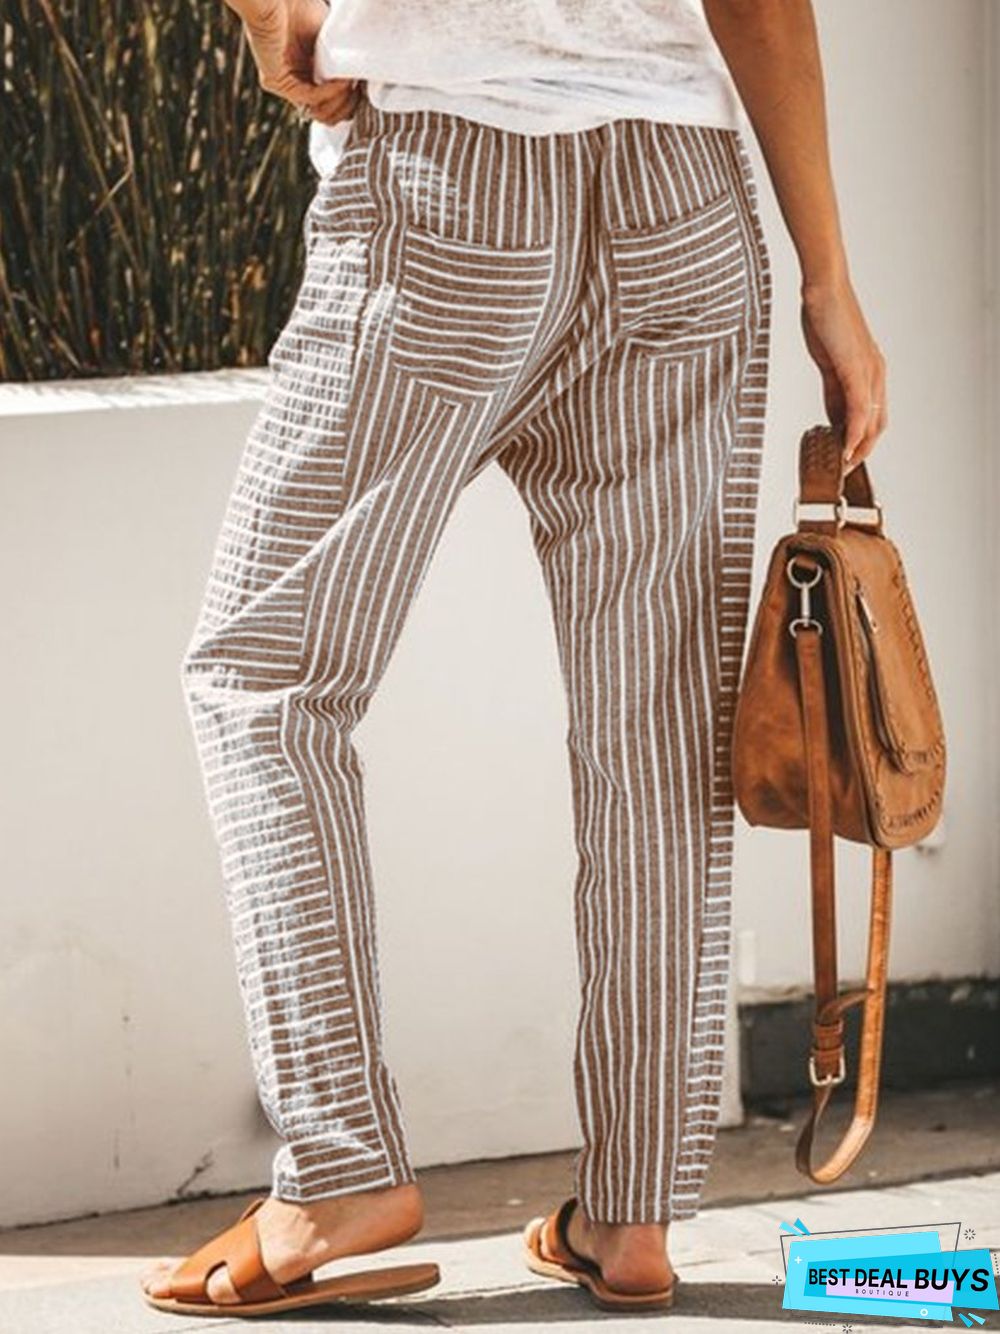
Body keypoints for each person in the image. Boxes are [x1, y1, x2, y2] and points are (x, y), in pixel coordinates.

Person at [142, 0, 887, 1318]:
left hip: (449, 173)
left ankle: (338, 1164)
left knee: (266, 678)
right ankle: (635, 1214)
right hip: (682, 195)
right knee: (658, 729)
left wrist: (275, 19)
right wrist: (828, 278)